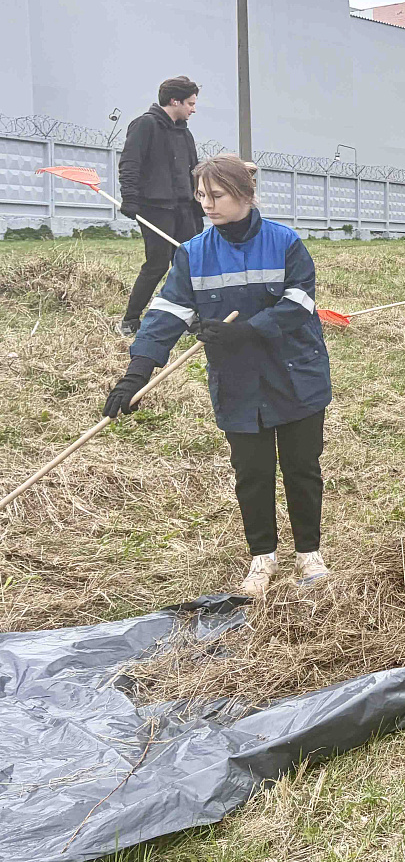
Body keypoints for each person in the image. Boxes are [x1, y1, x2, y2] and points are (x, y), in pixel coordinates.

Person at [103, 154, 333, 597]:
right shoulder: (193, 254)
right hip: (237, 383)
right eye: (201, 195)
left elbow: (300, 302)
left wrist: (249, 330)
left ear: (244, 195)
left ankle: (309, 554)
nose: (206, 204)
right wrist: (136, 372)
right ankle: (262, 557)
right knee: (252, 471)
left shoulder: (285, 242)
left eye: (216, 195)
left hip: (294, 376)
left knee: (302, 468)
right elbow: (167, 312)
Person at [118, 76, 205, 334]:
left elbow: (194, 169)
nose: (193, 109)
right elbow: (130, 164)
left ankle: (191, 318)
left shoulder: (184, 132)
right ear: (174, 101)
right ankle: (131, 320)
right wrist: (130, 198)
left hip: (184, 208)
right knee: (157, 264)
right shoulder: (145, 125)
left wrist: (199, 202)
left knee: (189, 263)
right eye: (190, 103)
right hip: (155, 208)